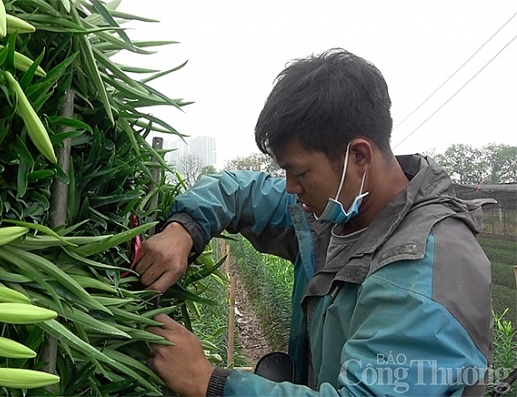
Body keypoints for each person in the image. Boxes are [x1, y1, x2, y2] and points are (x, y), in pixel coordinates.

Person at [136, 48, 494, 397]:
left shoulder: (422, 274)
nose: (291, 188)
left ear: (358, 155)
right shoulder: (334, 212)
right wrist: (185, 227)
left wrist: (208, 382)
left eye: (300, 172)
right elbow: (240, 190)